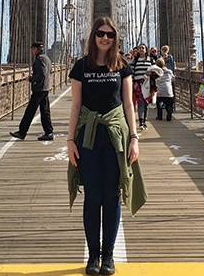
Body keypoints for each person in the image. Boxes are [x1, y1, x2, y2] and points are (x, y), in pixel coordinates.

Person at [68, 16, 146, 276]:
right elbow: (76, 105)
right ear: (93, 36)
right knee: (92, 196)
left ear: (115, 39)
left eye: (110, 35)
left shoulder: (121, 65)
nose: (105, 38)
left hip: (116, 137)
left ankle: (108, 256)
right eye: (100, 33)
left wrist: (134, 137)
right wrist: (69, 141)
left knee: (111, 196)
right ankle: (93, 256)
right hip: (88, 137)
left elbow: (128, 104)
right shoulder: (81, 67)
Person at [11, 41, 54, 140]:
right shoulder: (47, 58)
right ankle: (49, 132)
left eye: (32, 49)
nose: (32, 51)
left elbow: (42, 74)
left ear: (35, 49)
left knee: (30, 111)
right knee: (45, 111)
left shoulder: (39, 59)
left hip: (39, 89)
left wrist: (31, 78)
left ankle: (22, 132)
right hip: (45, 88)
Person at [129, 43, 154, 129]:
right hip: (138, 84)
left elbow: (156, 71)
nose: (141, 49)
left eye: (143, 48)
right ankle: (141, 122)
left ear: (146, 50)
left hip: (147, 84)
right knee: (140, 102)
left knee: (146, 102)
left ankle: (144, 120)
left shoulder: (150, 60)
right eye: (139, 48)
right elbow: (131, 72)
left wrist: (151, 73)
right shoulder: (135, 60)